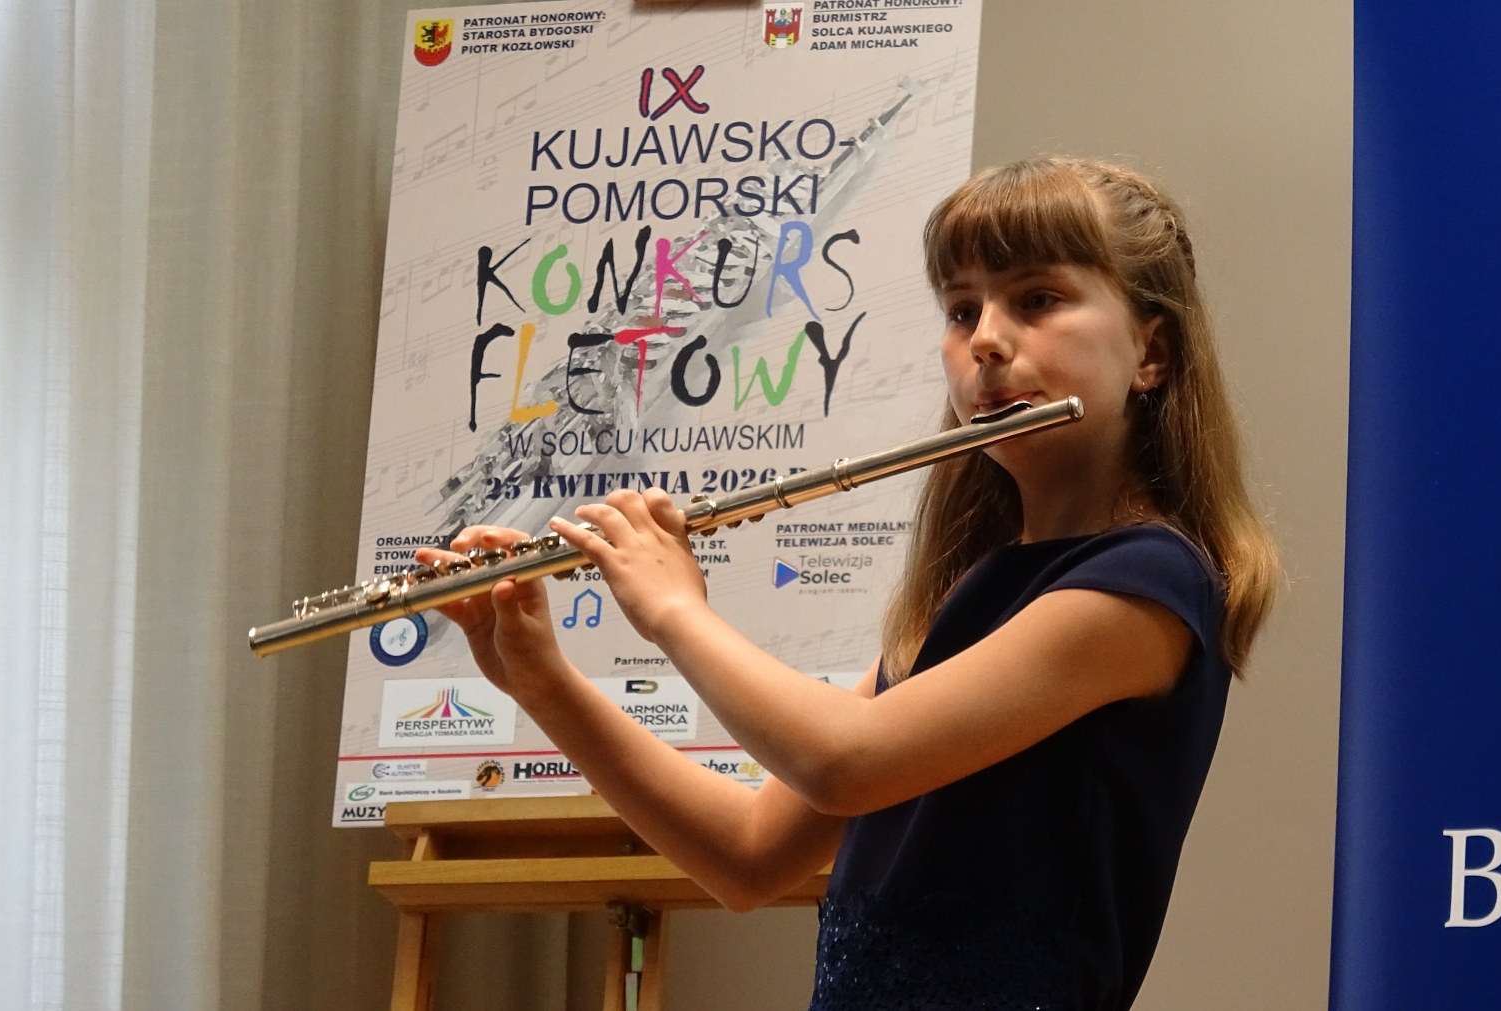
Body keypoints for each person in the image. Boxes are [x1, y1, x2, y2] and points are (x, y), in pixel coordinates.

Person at [417, 157, 1280, 1011]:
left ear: (1150, 353)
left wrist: (674, 608)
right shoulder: (975, 588)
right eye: (962, 309)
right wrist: (541, 680)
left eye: (1037, 299)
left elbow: (844, 762)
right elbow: (749, 855)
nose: (985, 338)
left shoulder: (1146, 584)